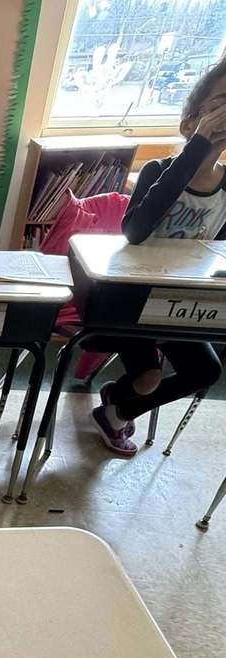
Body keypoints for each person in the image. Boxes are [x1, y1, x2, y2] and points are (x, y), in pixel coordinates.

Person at [91, 59, 226, 455]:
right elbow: (135, 231)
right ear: (190, 121)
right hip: (131, 298)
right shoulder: (159, 170)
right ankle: (119, 405)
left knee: (207, 369)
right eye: (218, 104)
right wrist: (198, 146)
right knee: (149, 376)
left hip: (183, 301)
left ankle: (116, 405)